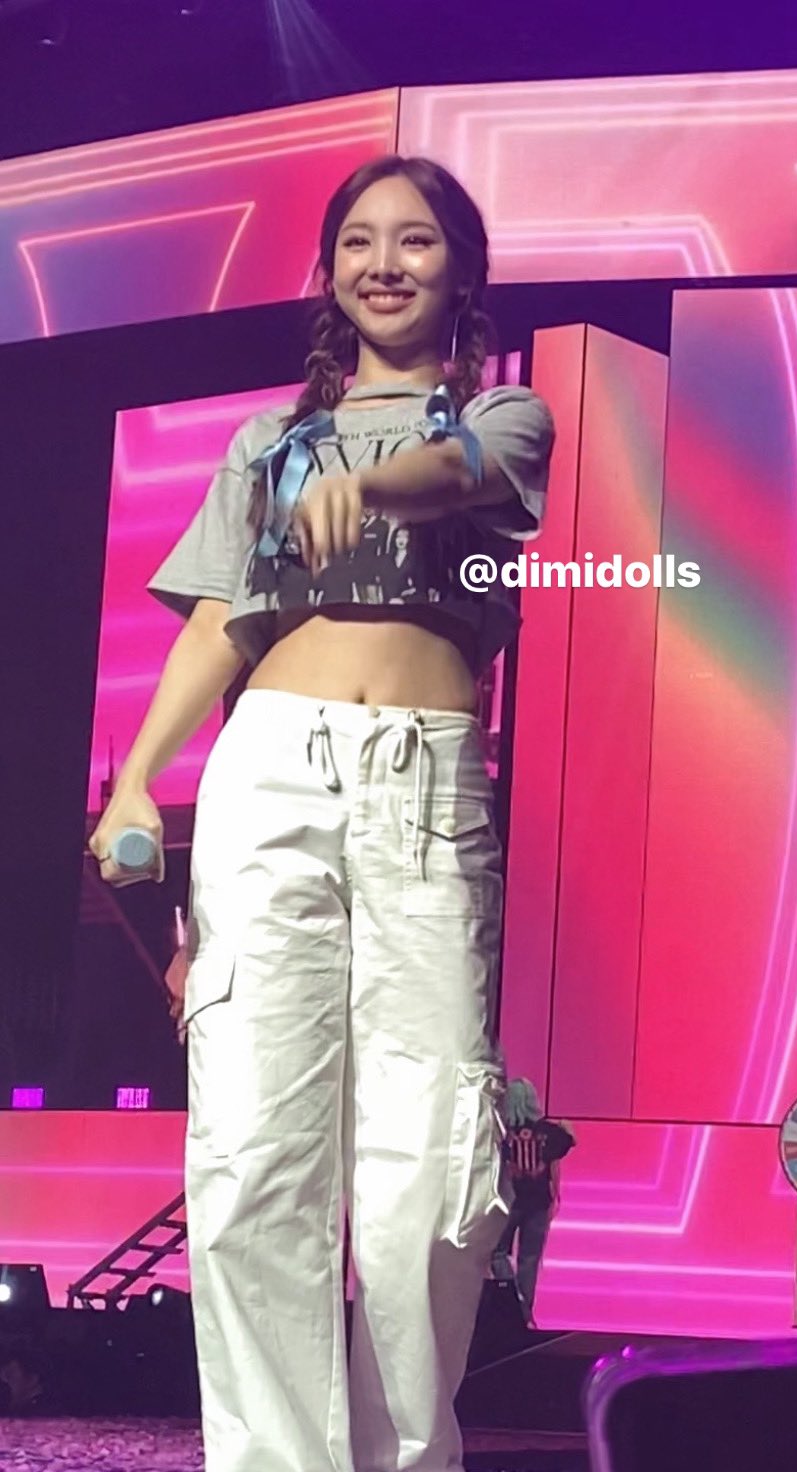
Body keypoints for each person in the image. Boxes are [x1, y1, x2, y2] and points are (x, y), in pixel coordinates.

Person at [89, 153, 554, 1472]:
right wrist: (137, 780)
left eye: (415, 240)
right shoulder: (264, 444)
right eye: (358, 240)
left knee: (432, 1168)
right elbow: (217, 627)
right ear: (331, 270)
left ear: (460, 270)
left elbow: (462, 472)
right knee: (251, 1155)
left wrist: (374, 486)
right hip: (271, 772)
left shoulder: (506, 416)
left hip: (426, 786)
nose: (384, 263)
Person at [491, 1079, 575, 1325]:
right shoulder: (548, 1131)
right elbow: (568, 1141)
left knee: (497, 1253)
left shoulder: (501, 1132)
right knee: (529, 1258)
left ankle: (512, 1299)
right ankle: (524, 1313)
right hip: (538, 1202)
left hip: (509, 1201)